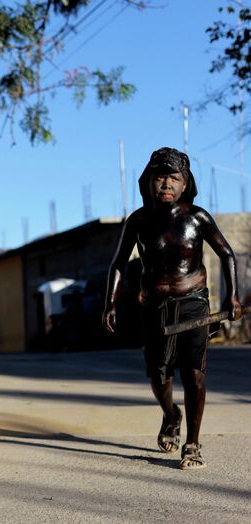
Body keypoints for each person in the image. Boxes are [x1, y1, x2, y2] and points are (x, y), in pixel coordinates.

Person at [103, 147, 241, 470]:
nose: (165, 183)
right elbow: (118, 263)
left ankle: (192, 443)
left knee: (194, 376)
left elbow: (228, 255)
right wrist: (109, 302)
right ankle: (171, 415)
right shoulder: (138, 221)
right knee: (158, 377)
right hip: (154, 308)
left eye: (173, 178)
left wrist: (231, 296)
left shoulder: (198, 218)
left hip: (194, 305)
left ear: (184, 183)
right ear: (148, 182)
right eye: (159, 177)